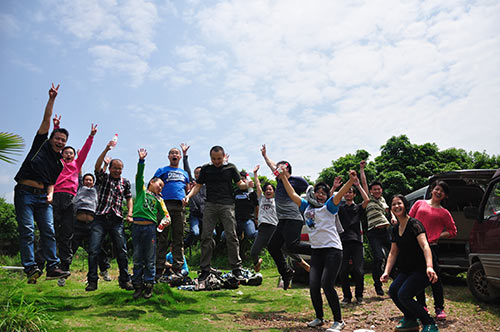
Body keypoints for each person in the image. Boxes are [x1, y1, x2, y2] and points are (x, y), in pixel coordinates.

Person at [281, 169, 358, 332]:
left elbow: (339, 194)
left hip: (333, 251)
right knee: (314, 285)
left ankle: (339, 321)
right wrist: (282, 178)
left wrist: (351, 181)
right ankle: (319, 317)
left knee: (326, 284)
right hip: (316, 251)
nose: (321, 195)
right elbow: (292, 194)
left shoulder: (330, 206)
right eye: (318, 192)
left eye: (324, 193)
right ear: (313, 193)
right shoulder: (306, 207)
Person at [14, 83, 71, 283]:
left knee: (49, 231)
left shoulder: (59, 164)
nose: (60, 142)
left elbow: (51, 183)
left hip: (42, 198)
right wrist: (52, 99)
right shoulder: (40, 145)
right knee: (28, 230)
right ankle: (30, 267)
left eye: (63, 140)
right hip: (25, 193)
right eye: (57, 138)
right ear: (51, 139)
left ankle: (53, 267)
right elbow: (46, 119)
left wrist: (50, 194)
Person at [183, 145, 248, 281]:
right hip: (210, 205)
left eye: (219, 158)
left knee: (231, 235)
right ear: (210, 157)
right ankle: (205, 269)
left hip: (227, 205)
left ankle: (236, 268)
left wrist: (248, 184)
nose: (217, 161)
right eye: (214, 159)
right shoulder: (206, 169)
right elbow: (198, 186)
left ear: (224, 157)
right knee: (206, 236)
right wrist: (188, 196)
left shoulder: (230, 167)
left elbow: (240, 184)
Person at [381, 195, 440, 332]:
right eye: (394, 204)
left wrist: (430, 267)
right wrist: (386, 272)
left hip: (423, 269)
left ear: (405, 205)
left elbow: (425, 246)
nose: (396, 206)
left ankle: (429, 323)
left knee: (404, 294)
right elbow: (393, 252)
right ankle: (410, 319)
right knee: (394, 291)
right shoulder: (395, 229)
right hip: (407, 269)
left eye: (399, 203)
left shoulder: (414, 224)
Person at [51, 119, 97, 284]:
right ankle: (45, 264)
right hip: (56, 196)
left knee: (67, 234)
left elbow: (85, 151)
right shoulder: (58, 162)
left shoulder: (77, 165)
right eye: (66, 152)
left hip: (70, 199)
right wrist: (56, 127)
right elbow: (54, 144)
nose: (69, 154)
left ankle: (64, 268)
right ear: (62, 154)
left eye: (71, 152)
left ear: (74, 155)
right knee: (51, 230)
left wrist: (91, 136)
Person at [261, 144, 311, 290]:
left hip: (294, 219)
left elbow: (311, 193)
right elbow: (271, 166)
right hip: (282, 220)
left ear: (287, 167)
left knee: (292, 246)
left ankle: (320, 249)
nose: (276, 169)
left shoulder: (298, 181)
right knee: (272, 246)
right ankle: (286, 272)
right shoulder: (279, 180)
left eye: (280, 167)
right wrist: (265, 156)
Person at [86, 140, 134, 291]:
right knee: (93, 250)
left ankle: (124, 279)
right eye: (115, 168)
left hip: (117, 220)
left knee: (122, 250)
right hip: (100, 218)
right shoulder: (104, 178)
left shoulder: (125, 182)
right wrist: (106, 149)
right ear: (110, 168)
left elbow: (129, 198)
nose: (117, 171)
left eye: (120, 169)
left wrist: (130, 212)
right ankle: (92, 281)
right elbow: (97, 166)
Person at [410, 181, 456, 320]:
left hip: (431, 247)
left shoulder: (444, 213)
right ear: (432, 190)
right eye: (437, 189)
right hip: (415, 246)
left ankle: (439, 308)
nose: (438, 192)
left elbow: (453, 231)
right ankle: (421, 305)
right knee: (417, 277)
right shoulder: (419, 203)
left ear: (445, 196)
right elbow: (409, 220)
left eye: (442, 191)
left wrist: (437, 236)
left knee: (435, 278)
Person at [250, 165, 309, 273]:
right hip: (263, 230)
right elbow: (258, 186)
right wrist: (255, 174)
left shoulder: (277, 199)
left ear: (274, 191)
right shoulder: (261, 199)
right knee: (253, 252)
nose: (268, 191)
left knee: (287, 249)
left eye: (270, 189)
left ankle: (301, 263)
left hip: (274, 228)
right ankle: (257, 263)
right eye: (266, 189)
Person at [131, 148, 170, 299]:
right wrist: (141, 161)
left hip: (150, 229)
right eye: (159, 185)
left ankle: (149, 285)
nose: (160, 188)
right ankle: (137, 286)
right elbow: (139, 176)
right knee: (137, 257)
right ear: (151, 182)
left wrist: (162, 224)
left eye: (162, 187)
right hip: (137, 227)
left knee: (150, 257)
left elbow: (167, 216)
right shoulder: (142, 191)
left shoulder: (160, 199)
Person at [153, 147, 190, 282]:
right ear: (168, 156)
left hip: (180, 208)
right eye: (172, 153)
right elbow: (153, 184)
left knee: (178, 239)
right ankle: (159, 269)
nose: (174, 155)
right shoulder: (162, 170)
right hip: (164, 207)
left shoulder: (184, 173)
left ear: (180, 157)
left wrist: (186, 196)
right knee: (162, 238)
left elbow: (188, 188)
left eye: (177, 153)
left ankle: (178, 269)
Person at [332, 175, 370, 305]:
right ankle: (347, 297)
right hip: (342, 242)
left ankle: (359, 296)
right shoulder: (340, 207)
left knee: (358, 271)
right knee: (343, 271)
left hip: (357, 243)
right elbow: (329, 200)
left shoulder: (358, 208)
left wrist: (358, 185)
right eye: (346, 192)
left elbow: (367, 200)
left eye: (350, 192)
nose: (348, 194)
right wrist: (335, 188)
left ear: (354, 195)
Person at [71, 173, 111, 283]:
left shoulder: (96, 190)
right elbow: (77, 173)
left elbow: (100, 177)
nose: (88, 182)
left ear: (93, 182)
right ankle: (63, 272)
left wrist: (105, 164)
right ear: (83, 181)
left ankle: (104, 270)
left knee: (98, 248)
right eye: (86, 180)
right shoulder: (79, 188)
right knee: (71, 247)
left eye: (90, 180)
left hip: (92, 224)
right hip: (78, 224)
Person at [360, 160, 391, 296]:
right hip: (373, 232)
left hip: (386, 231)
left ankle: (394, 281)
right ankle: (377, 285)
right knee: (378, 258)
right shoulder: (369, 199)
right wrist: (362, 170)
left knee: (394, 255)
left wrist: (394, 219)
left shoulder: (383, 200)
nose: (377, 191)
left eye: (379, 189)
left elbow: (389, 213)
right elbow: (364, 183)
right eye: (375, 189)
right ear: (371, 192)